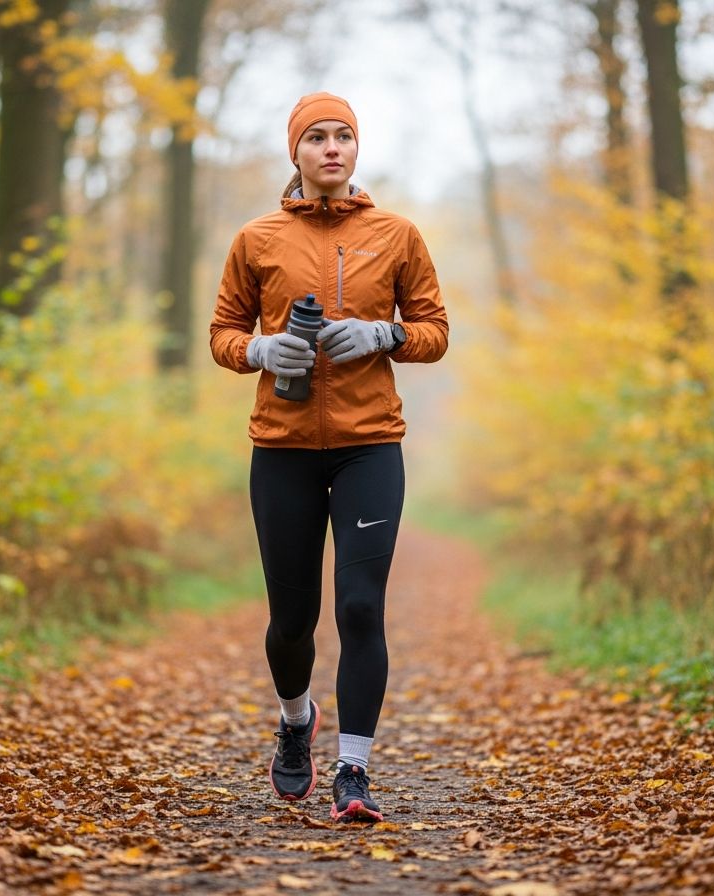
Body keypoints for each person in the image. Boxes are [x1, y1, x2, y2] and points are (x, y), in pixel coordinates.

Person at [209, 92, 449, 823]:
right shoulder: (256, 239)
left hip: (369, 445)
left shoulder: (396, 234)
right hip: (282, 448)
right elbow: (221, 334)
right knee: (291, 620)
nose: (332, 147)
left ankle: (354, 770)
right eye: (316, 137)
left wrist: (385, 335)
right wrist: (259, 350)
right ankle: (295, 720)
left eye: (344, 135)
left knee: (360, 606)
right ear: (296, 152)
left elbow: (434, 330)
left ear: (356, 148)